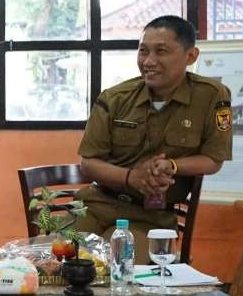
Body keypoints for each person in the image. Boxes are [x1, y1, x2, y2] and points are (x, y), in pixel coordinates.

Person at [76, 15, 233, 247]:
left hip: (151, 219)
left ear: (191, 56)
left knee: (118, 265)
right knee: (56, 259)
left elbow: (213, 159)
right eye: (143, 51)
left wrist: (173, 166)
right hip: (98, 206)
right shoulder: (115, 98)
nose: (148, 61)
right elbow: (88, 163)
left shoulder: (211, 96)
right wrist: (132, 178)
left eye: (161, 51)